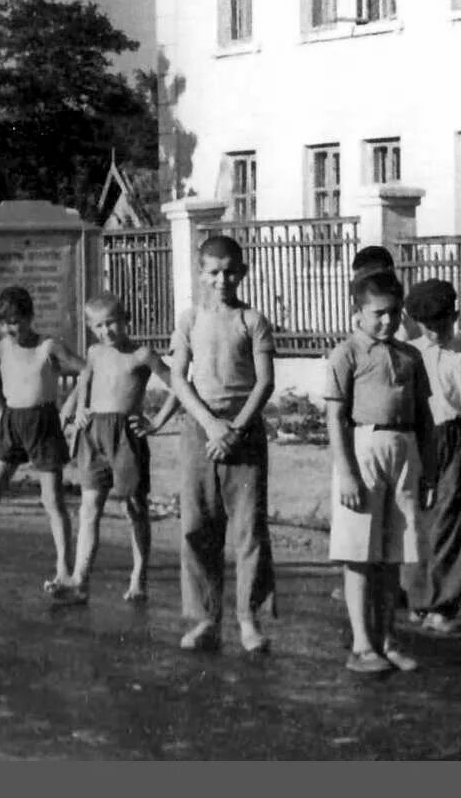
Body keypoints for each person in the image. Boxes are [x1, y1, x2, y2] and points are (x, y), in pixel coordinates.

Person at [163, 233, 278, 653]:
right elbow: (178, 377)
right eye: (213, 272)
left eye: (230, 272)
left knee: (248, 530)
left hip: (243, 434)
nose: (222, 280)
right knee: (197, 527)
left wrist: (235, 429)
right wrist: (211, 425)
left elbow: (265, 382)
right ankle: (206, 617)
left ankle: (249, 619)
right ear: (201, 274)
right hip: (199, 430)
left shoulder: (253, 320)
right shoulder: (189, 319)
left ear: (242, 273)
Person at [324, 267, 433, 675]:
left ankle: (388, 638)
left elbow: (424, 416)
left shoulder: (411, 356)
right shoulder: (346, 353)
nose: (387, 321)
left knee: (393, 555)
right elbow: (335, 418)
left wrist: (430, 469)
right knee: (358, 554)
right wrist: (347, 473)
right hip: (362, 450)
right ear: (358, 312)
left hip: (404, 450)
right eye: (378, 313)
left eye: (394, 312)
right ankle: (361, 642)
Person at [0, 286, 81, 592]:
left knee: (52, 501)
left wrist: (73, 408)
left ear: (29, 317)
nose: (11, 328)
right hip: (11, 422)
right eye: (5, 323)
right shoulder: (1, 347)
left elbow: (86, 371)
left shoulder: (49, 346)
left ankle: (64, 568)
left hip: (43, 422)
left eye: (16, 321)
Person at [60, 294, 174, 604]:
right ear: (90, 328)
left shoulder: (142, 355)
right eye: (98, 326)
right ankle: (79, 580)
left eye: (111, 323)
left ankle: (139, 577)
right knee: (89, 509)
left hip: (126, 436)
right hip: (93, 434)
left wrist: (158, 421)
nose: (106, 331)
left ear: (126, 319)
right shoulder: (95, 352)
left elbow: (177, 384)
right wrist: (79, 410)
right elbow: (85, 381)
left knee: (134, 509)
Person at [402, 277, 461, 633]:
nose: (436, 332)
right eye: (428, 326)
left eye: (442, 324)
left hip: (457, 435)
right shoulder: (409, 353)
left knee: (450, 520)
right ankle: (418, 597)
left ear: (454, 316)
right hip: (418, 436)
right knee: (417, 518)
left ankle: (445, 603)